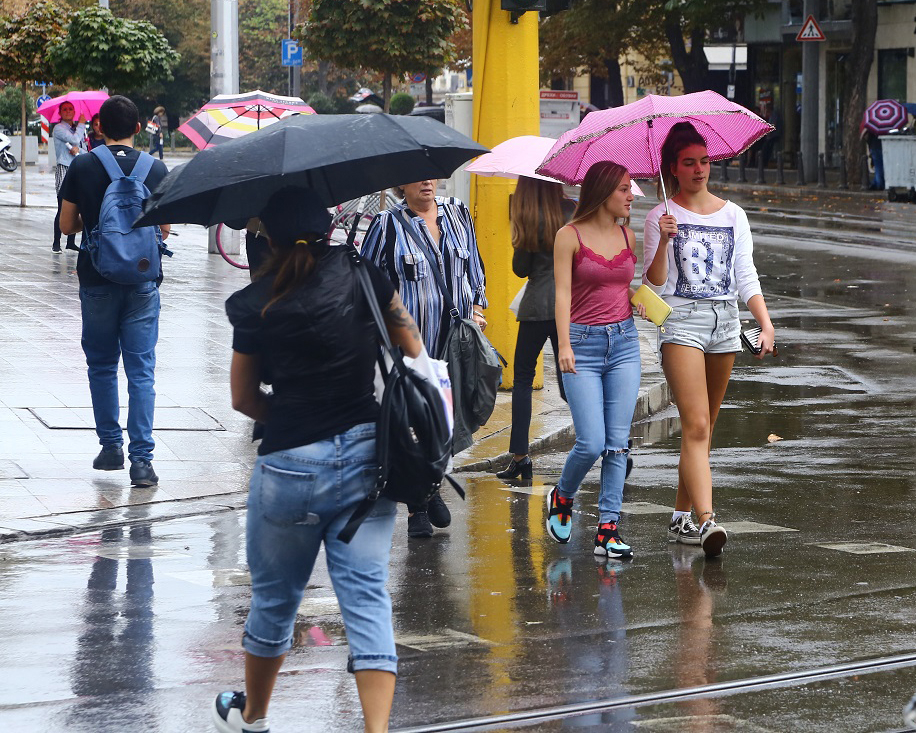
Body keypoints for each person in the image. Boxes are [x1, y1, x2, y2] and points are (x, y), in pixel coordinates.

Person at [216, 186, 423, 733]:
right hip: (367, 461)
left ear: (268, 238)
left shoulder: (254, 303)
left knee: (275, 601)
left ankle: (254, 717)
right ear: (329, 228)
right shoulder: (365, 278)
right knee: (366, 598)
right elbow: (415, 349)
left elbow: (241, 399)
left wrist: (284, 413)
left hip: (289, 466)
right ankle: (376, 729)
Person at [643, 121, 775, 558]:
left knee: (703, 429)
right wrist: (662, 242)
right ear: (672, 169)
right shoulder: (659, 217)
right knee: (697, 425)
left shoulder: (733, 214)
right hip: (681, 324)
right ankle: (706, 522)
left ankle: (680, 517)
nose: (699, 170)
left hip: (725, 324)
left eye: (704, 161)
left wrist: (764, 321)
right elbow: (656, 285)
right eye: (688, 163)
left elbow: (745, 275)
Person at [362, 180, 488, 539]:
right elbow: (368, 283)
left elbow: (475, 270)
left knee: (446, 421)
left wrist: (478, 308)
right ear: (402, 183)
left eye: (431, 174)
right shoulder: (387, 225)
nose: (427, 182)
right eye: (418, 175)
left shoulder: (458, 214)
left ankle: (430, 484)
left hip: (455, 344)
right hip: (410, 347)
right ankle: (419, 503)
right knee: (415, 421)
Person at [58, 95, 170, 487]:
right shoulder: (156, 169)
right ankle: (142, 462)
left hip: (96, 279)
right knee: (141, 371)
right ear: (139, 129)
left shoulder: (83, 164)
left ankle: (110, 449)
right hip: (142, 281)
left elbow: (68, 225)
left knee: (103, 364)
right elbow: (164, 230)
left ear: (98, 128)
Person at [546, 161, 646, 560]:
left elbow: (629, 287)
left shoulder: (628, 235)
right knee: (591, 443)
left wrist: (641, 298)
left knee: (618, 444)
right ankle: (562, 495)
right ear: (604, 192)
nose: (630, 196)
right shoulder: (568, 236)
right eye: (624, 189)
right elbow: (563, 297)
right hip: (582, 348)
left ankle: (608, 528)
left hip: (624, 344)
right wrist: (564, 346)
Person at [496, 176, 574, 481]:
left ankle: (521, 458)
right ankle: (606, 443)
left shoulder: (529, 218)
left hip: (534, 310)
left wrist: (519, 238)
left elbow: (520, 269)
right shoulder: (572, 211)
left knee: (523, 381)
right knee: (572, 380)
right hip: (566, 308)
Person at [51, 101, 85, 252]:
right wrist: (82, 125)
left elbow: (83, 148)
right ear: (60, 112)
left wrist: (79, 149)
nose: (68, 111)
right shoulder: (58, 128)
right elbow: (75, 140)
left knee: (77, 205)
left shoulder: (76, 128)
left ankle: (71, 242)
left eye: (71, 109)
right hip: (64, 168)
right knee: (62, 206)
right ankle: (56, 242)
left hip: (78, 168)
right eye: (65, 109)